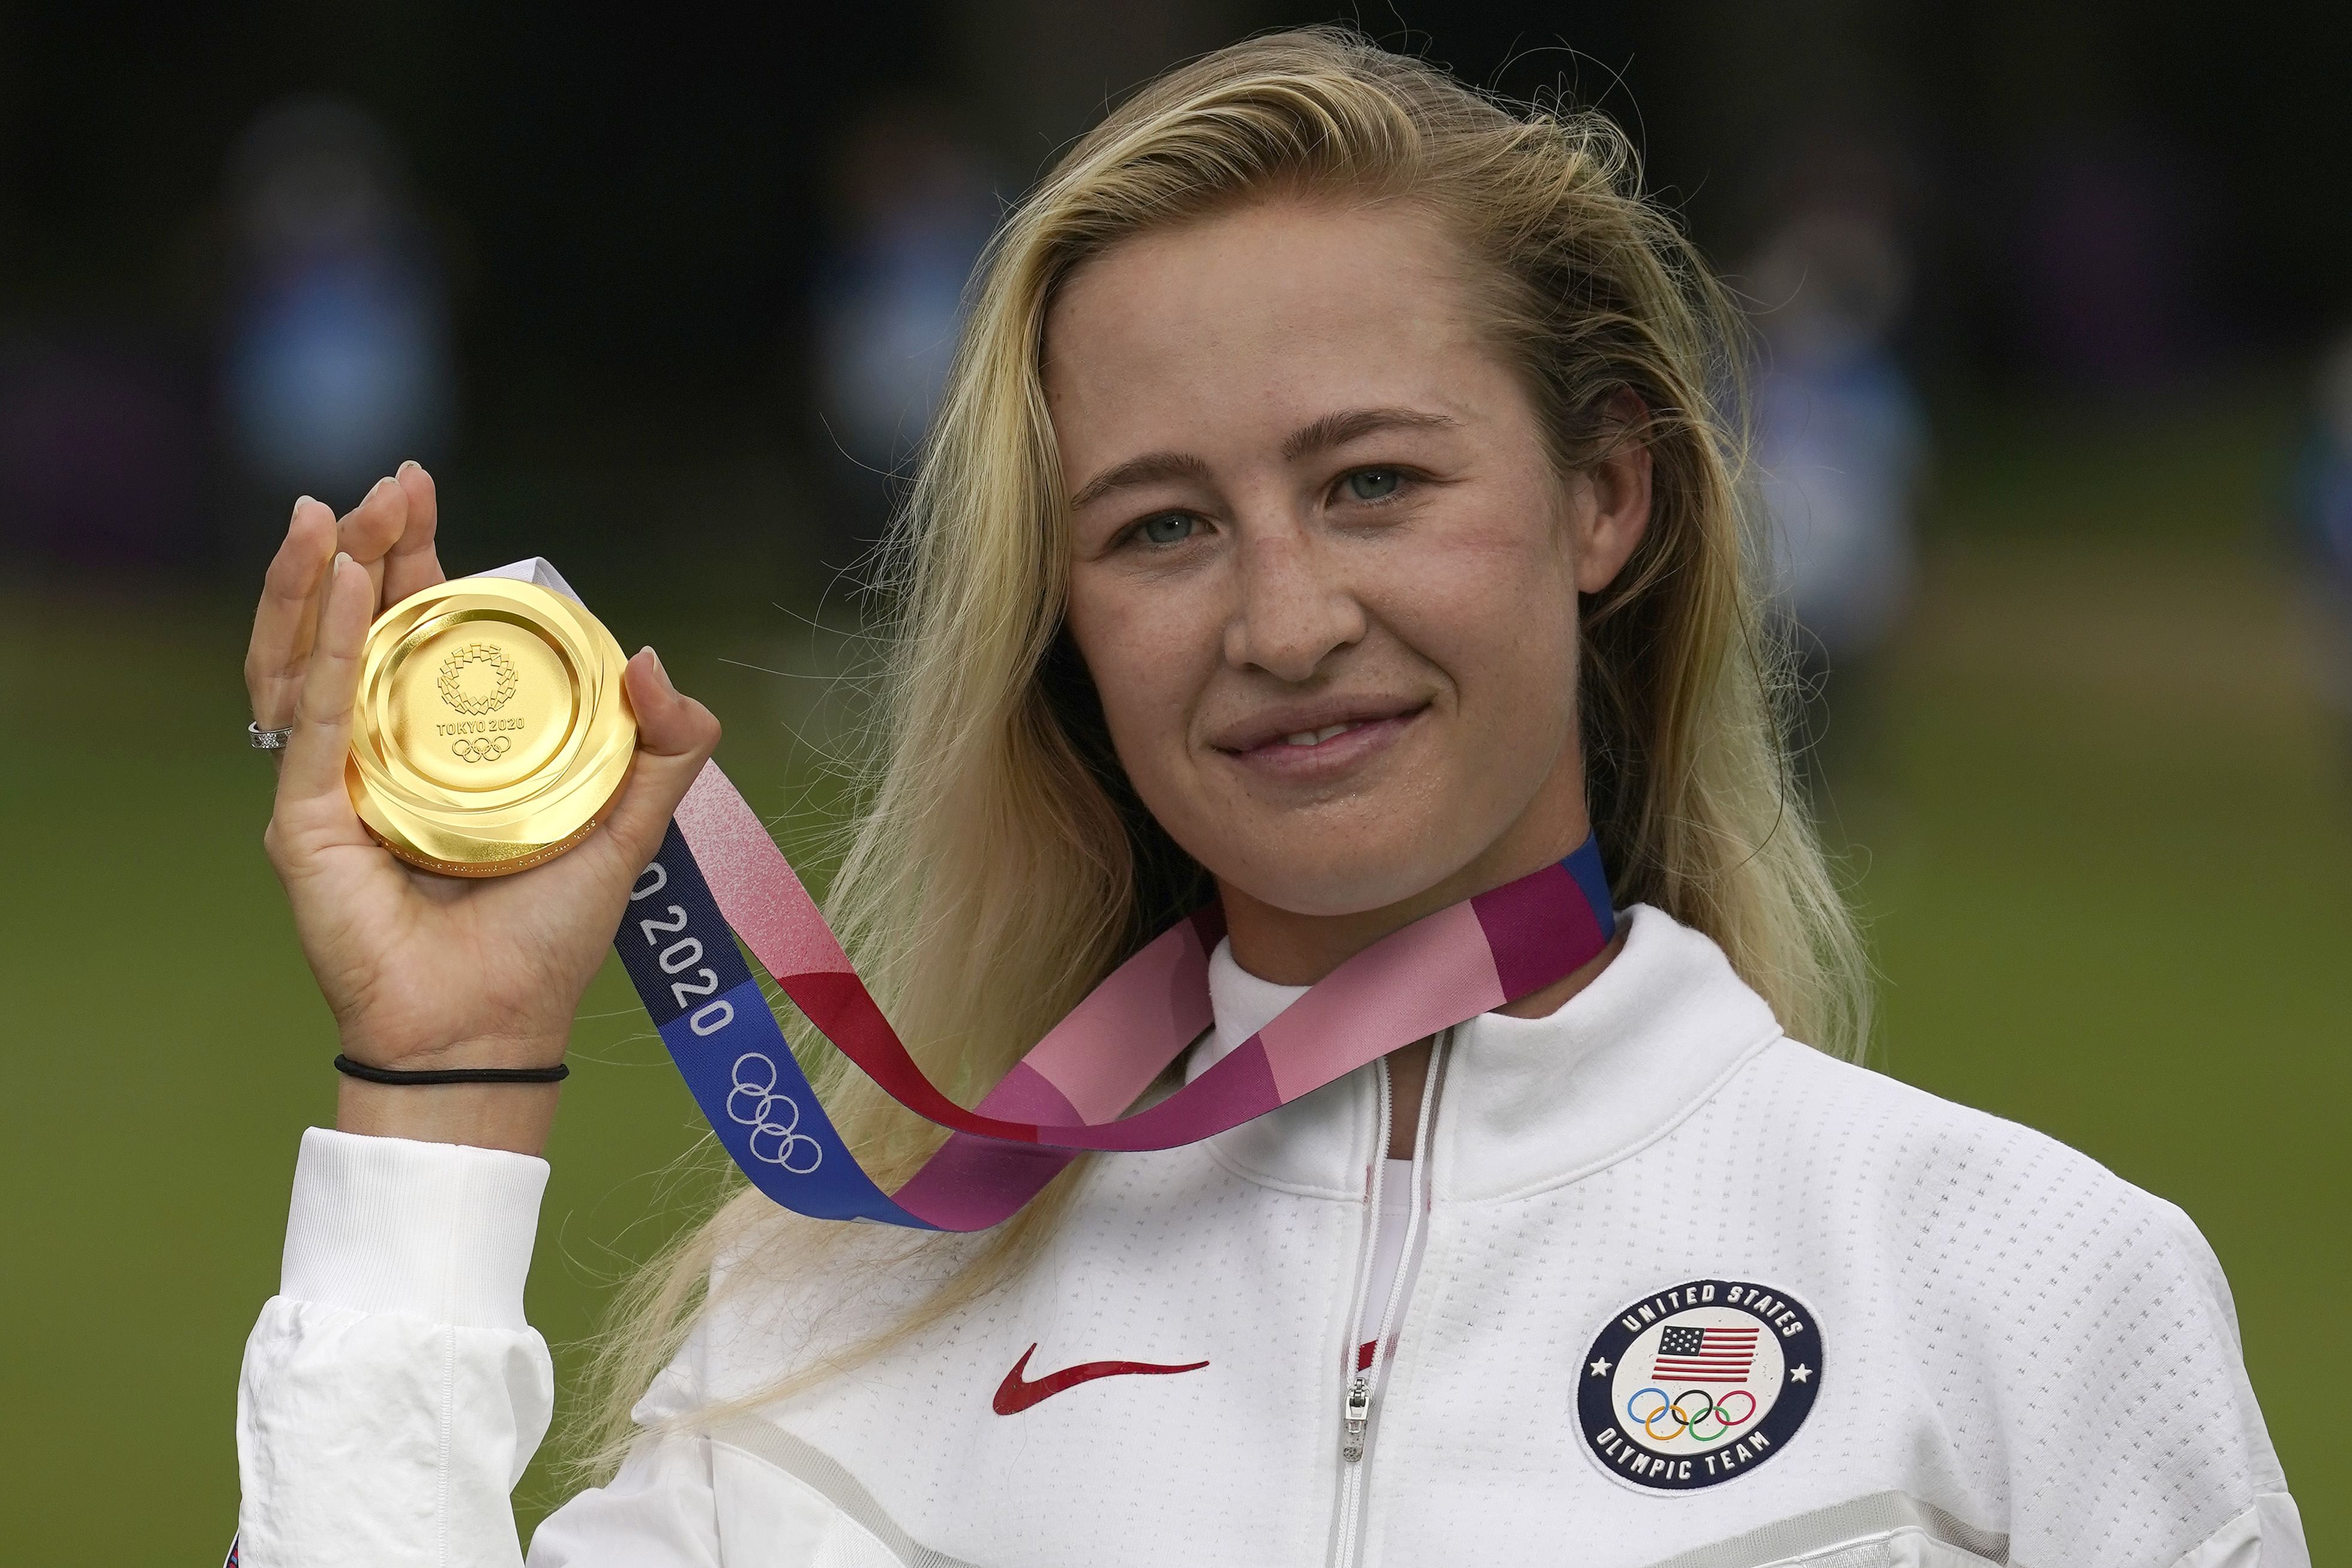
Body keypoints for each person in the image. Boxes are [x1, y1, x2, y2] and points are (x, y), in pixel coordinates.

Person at [232, 31, 2305, 1568]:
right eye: (1158, 529)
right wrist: (445, 1072)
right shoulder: (833, 1337)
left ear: (1609, 496)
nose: (1284, 617)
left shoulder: (2018, 1284)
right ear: (1063, 621)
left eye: (1374, 483)